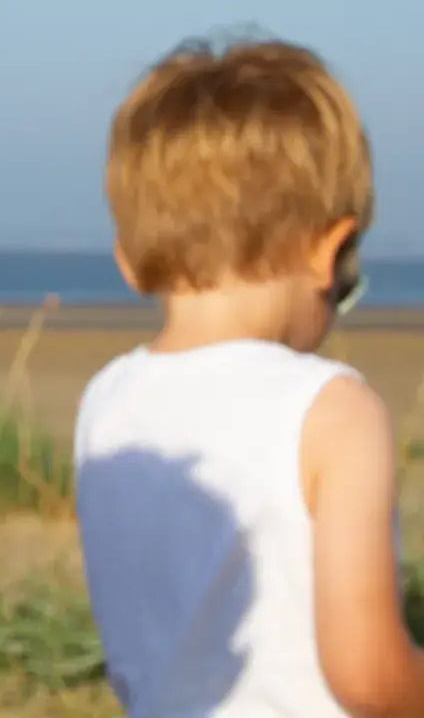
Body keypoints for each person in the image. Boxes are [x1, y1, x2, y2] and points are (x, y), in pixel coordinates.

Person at [75, 38, 424, 716]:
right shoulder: (333, 410)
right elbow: (371, 679)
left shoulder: (107, 401)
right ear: (329, 253)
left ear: (130, 261)